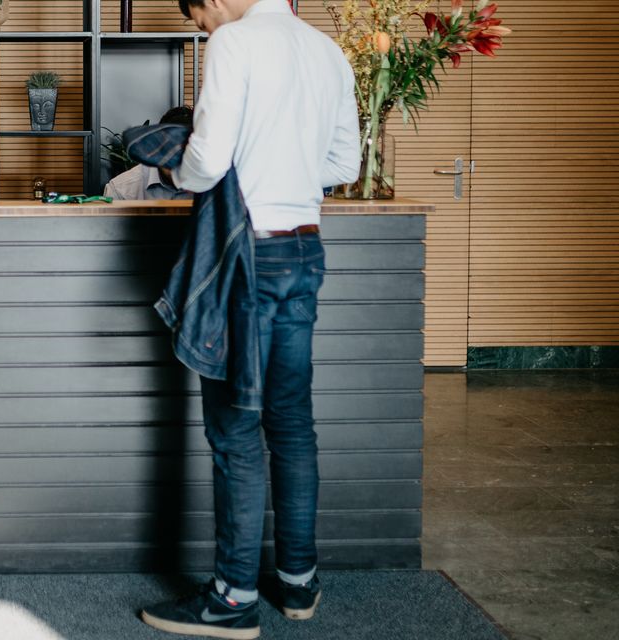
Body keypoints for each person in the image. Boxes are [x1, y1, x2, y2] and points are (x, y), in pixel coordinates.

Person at [137, 0, 360, 638]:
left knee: (236, 430)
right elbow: (344, 165)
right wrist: (281, 168)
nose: (204, 29)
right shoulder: (327, 50)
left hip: (248, 257)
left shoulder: (235, 43)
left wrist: (175, 167)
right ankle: (297, 582)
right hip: (303, 248)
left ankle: (233, 600)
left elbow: (206, 163)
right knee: (291, 424)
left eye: (198, 19)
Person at [103, 106, 195, 201]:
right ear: (158, 148)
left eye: (188, 156)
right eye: (172, 155)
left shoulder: (205, 185)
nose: (180, 164)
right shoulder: (120, 190)